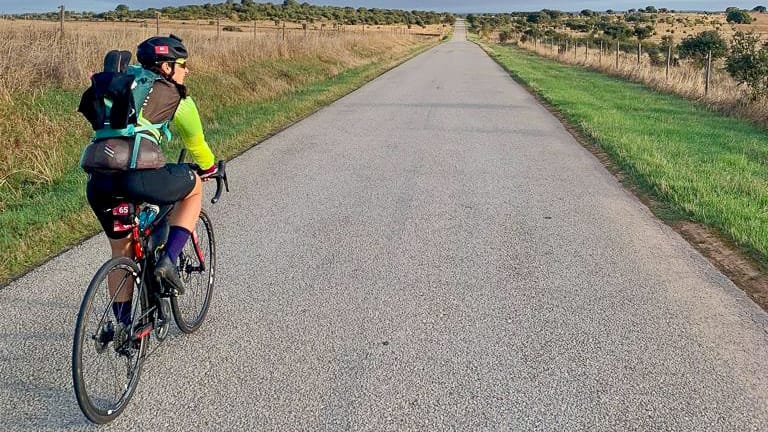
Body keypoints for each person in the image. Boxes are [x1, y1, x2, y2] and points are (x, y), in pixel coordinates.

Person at [80, 35, 216, 327]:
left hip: (99, 179)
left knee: (122, 249)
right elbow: (197, 145)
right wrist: (209, 167)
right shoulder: (173, 94)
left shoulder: (118, 82)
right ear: (166, 67)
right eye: (182, 64)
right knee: (193, 188)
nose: (186, 70)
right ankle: (168, 261)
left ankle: (125, 327)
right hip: (139, 176)